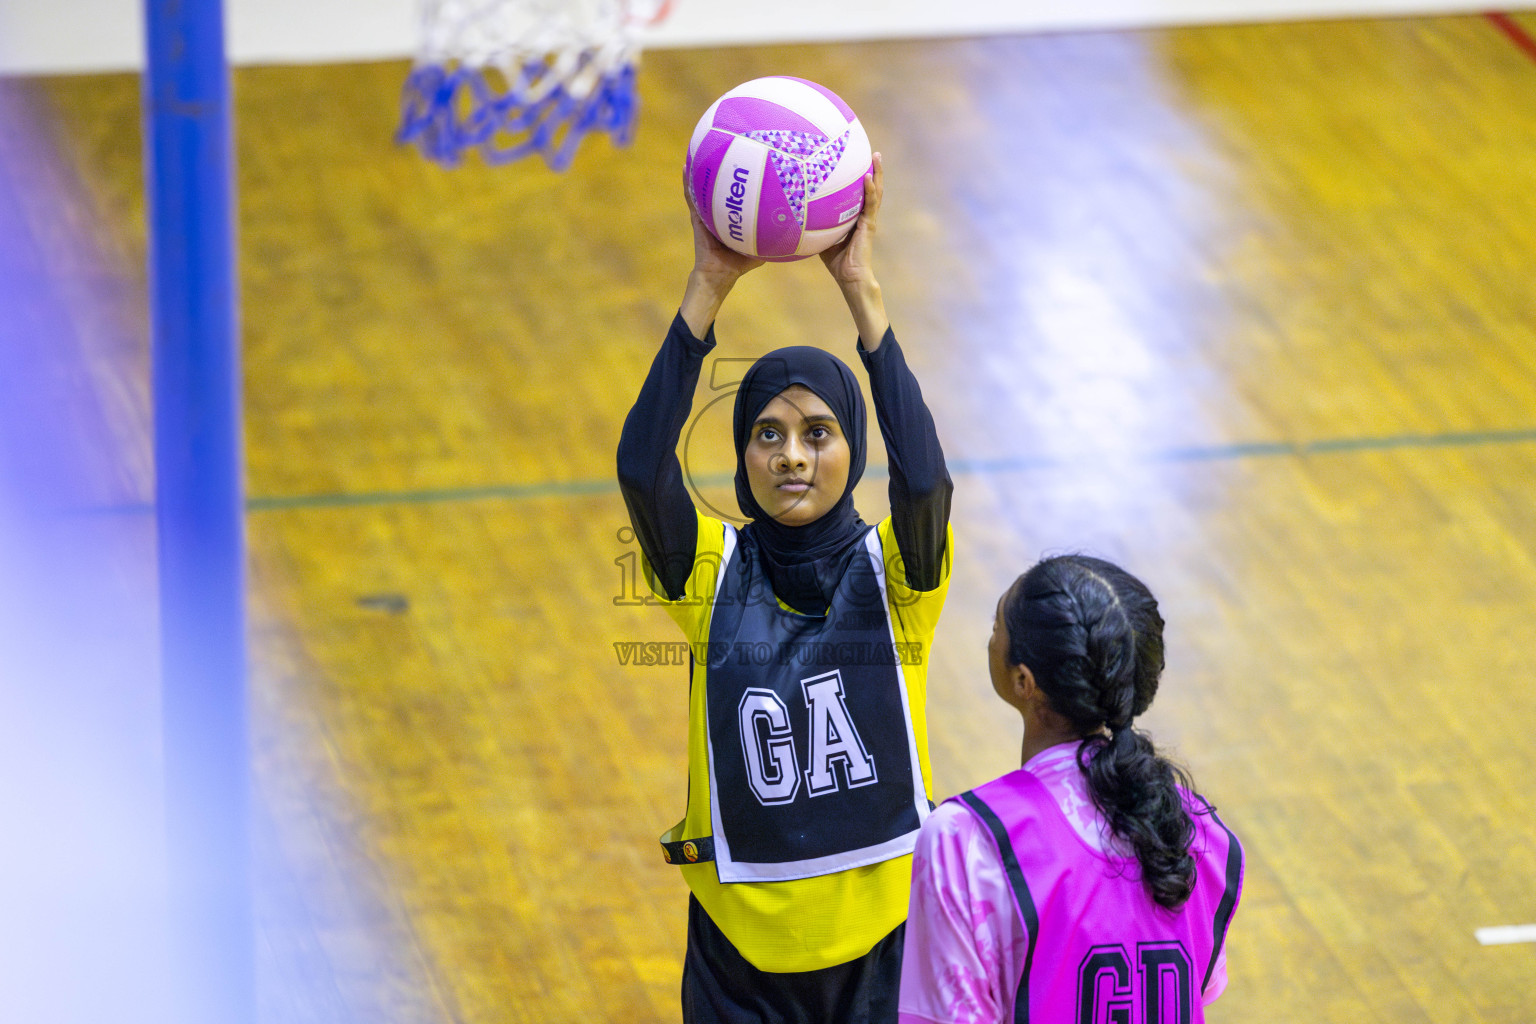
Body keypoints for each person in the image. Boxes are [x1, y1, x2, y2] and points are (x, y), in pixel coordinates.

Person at [616, 153, 953, 1023]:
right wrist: (705, 290)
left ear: (853, 450)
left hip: (884, 942)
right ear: (741, 456)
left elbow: (927, 483)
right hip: (740, 959)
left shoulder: (901, 577)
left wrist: (863, 294)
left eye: (818, 432)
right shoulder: (708, 574)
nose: (792, 454)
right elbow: (641, 468)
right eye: (767, 434)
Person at [898, 556, 1244, 1024]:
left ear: (1025, 681)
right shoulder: (1203, 831)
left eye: (996, 623)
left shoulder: (966, 841)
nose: (992, 635)